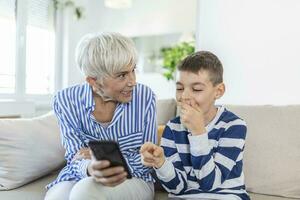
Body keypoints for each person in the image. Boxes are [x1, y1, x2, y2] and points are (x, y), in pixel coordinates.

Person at [44, 32, 157, 200]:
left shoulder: (145, 96)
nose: (132, 81)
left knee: (84, 192)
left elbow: (147, 161)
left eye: (133, 70)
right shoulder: (65, 100)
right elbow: (74, 157)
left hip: (136, 177)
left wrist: (105, 162)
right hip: (82, 173)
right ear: (93, 81)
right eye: (122, 75)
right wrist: (90, 167)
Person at [140, 51, 250, 200]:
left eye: (196, 89)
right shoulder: (173, 128)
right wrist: (161, 163)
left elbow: (210, 183)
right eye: (179, 88)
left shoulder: (234, 126)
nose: (184, 96)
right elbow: (177, 188)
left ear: (218, 91)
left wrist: (198, 132)